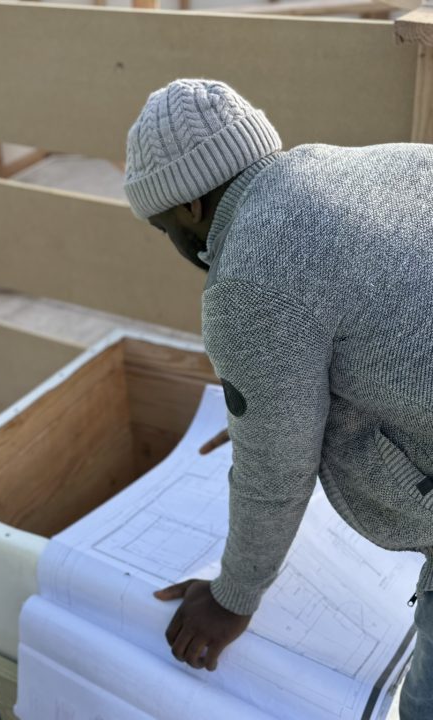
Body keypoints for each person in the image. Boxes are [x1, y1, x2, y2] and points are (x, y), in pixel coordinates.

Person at [124, 78, 433, 719]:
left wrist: (232, 597)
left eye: (162, 228)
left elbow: (276, 470)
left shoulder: (254, 273)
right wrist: (262, 412)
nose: (178, 246)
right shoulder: (385, 164)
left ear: (187, 209)